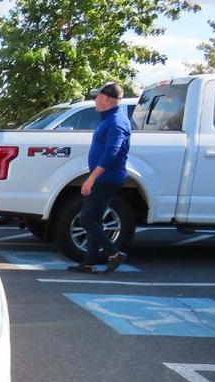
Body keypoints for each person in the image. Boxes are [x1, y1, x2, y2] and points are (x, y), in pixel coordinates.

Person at [68, 81, 131, 274]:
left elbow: (112, 151)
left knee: (86, 219)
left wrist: (92, 178)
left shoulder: (116, 121)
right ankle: (89, 263)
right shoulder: (110, 118)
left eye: (97, 96)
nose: (95, 100)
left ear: (106, 99)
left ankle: (114, 254)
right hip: (105, 177)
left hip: (106, 179)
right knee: (94, 219)